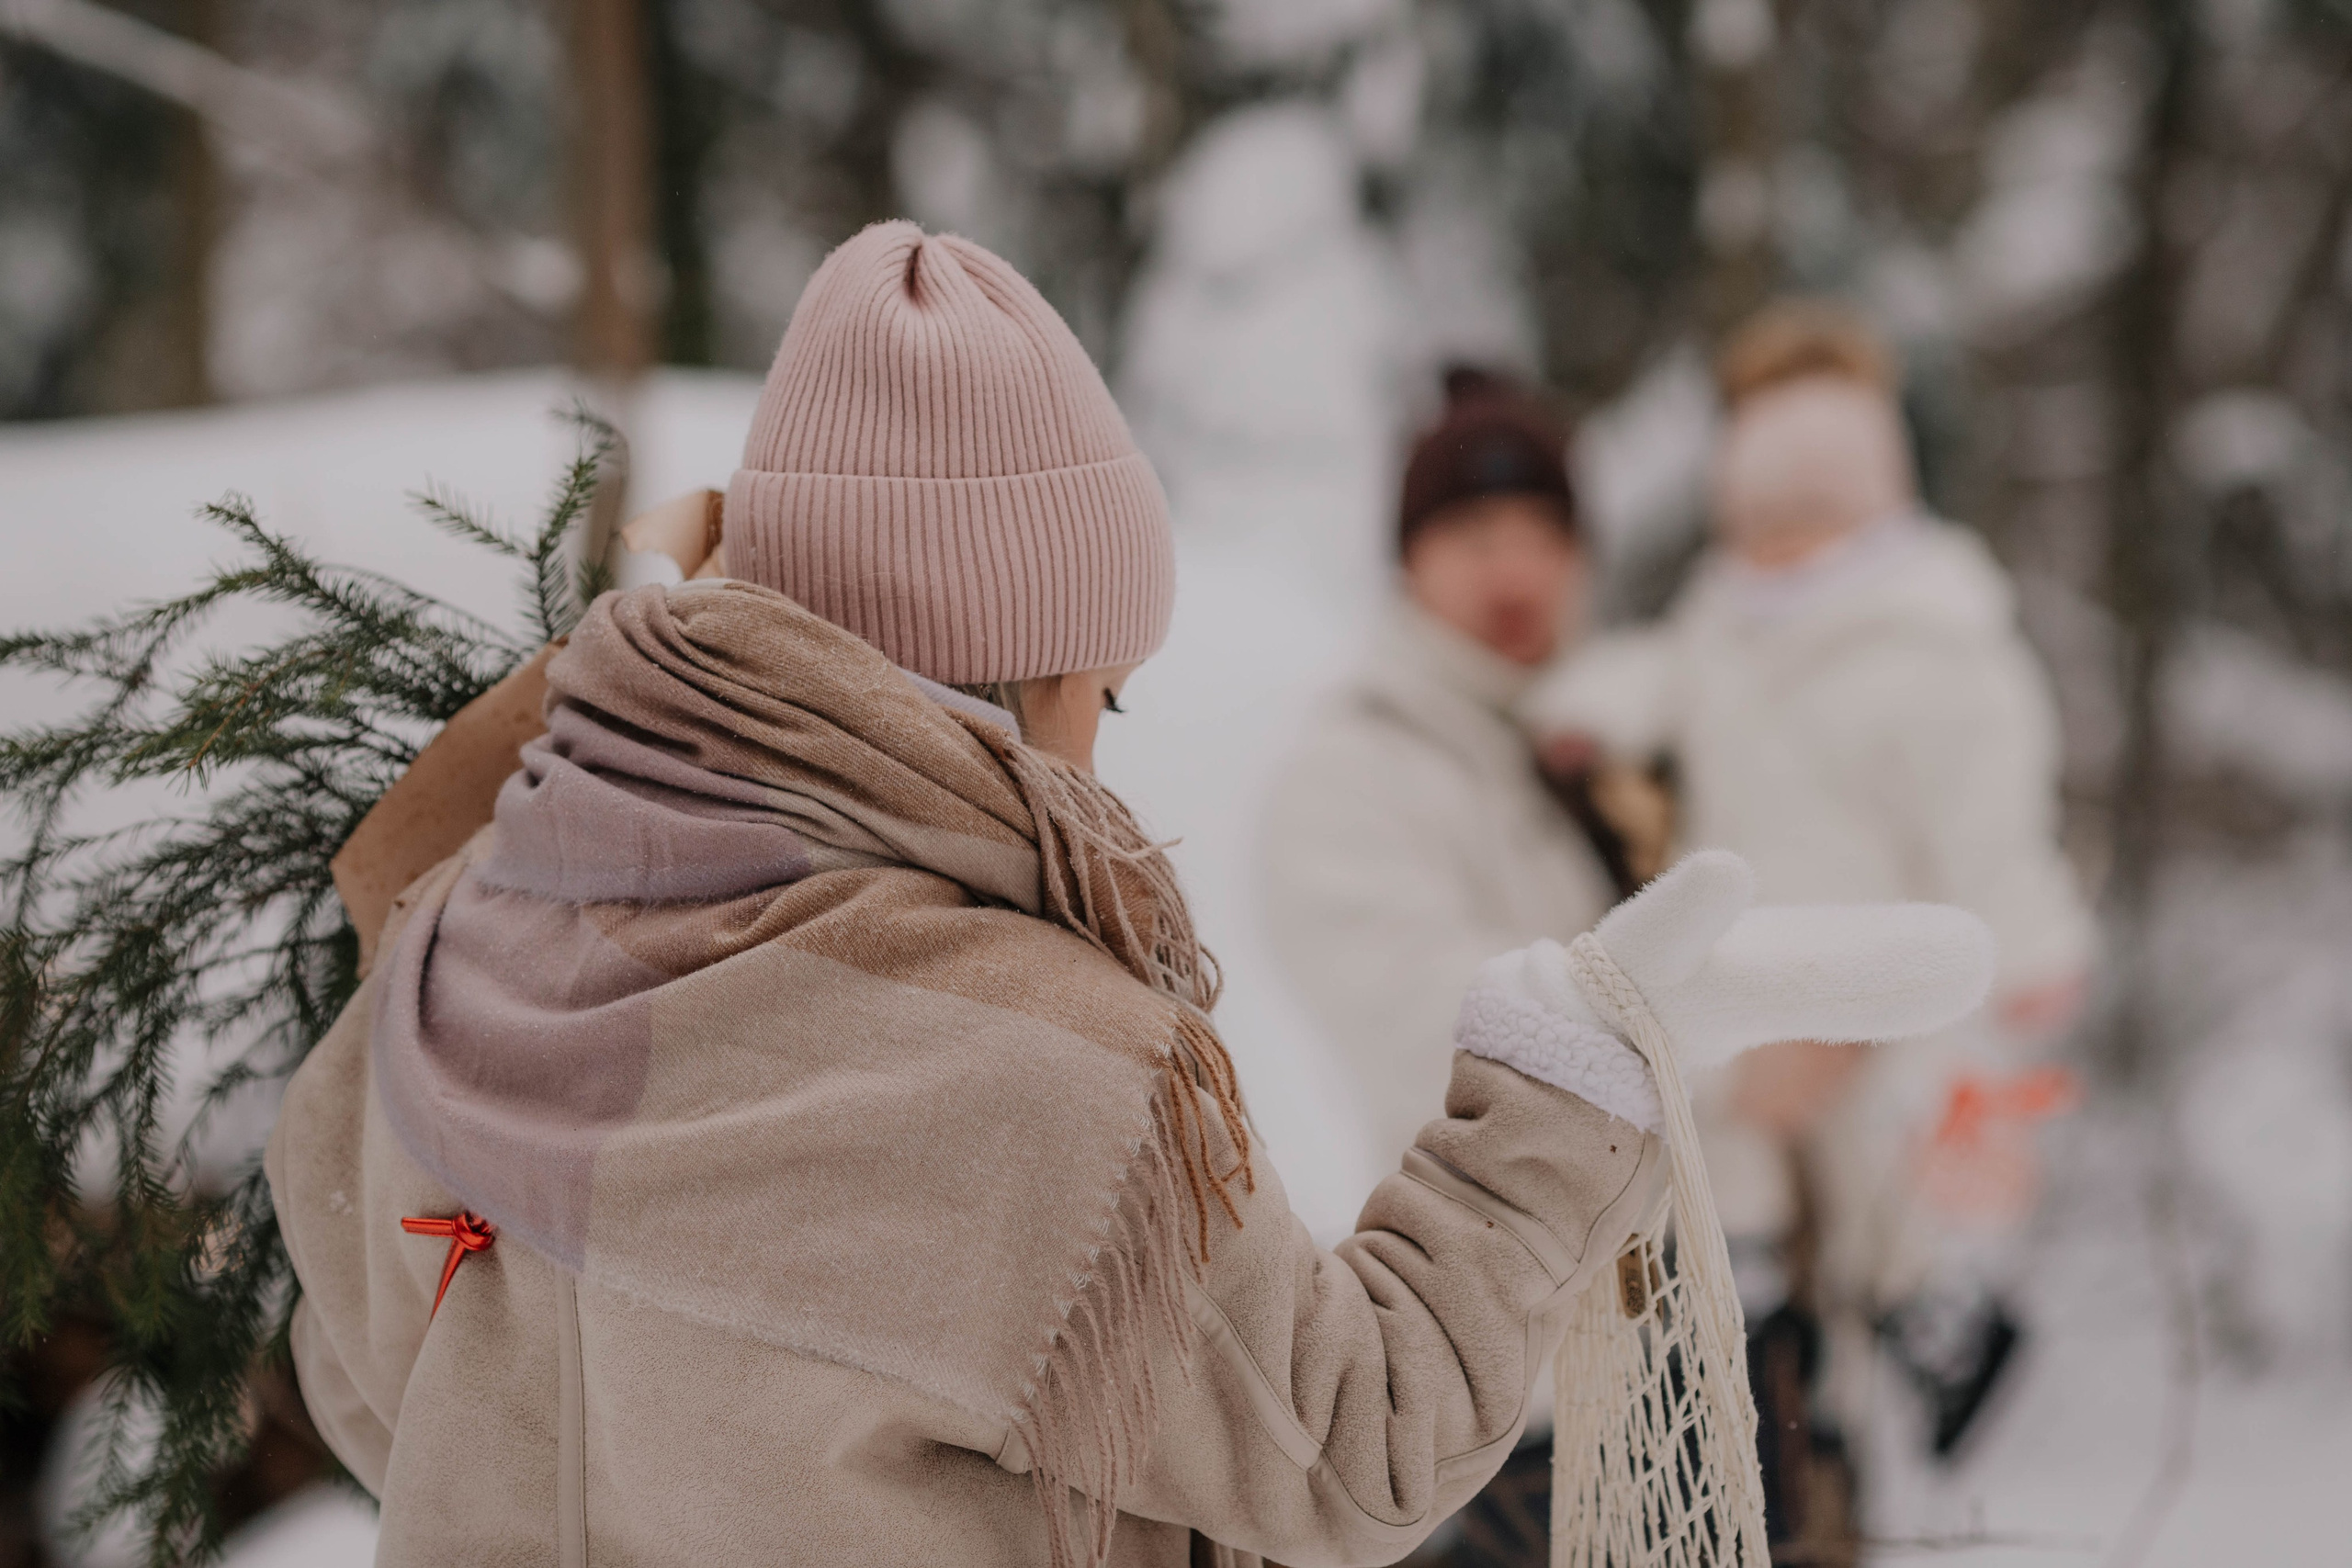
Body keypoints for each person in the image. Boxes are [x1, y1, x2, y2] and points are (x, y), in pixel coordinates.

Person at [265, 232, 1987, 1568]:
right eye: (1104, 687)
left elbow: (363, 1375)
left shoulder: (463, 926)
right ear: (1015, 672)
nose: (1100, 753)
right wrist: (1559, 1077)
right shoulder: (1031, 1073)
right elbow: (1351, 1442)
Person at [1522, 302, 2096, 1483]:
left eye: (1808, 516)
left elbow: (1998, 827)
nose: (1777, 545)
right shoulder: (1723, 623)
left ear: (1874, 507)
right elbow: (1660, 679)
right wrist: (1591, 712)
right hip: (1773, 958)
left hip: (1898, 968)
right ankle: (1803, 1305)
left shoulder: (1936, 651)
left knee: (1894, 1147)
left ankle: (1939, 1309)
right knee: (1778, 1149)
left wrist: (2034, 949)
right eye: (1758, 518)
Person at [1261, 370, 1668, 1172]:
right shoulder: (1350, 771)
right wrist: (1699, 1046)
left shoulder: (1633, 739)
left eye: (1546, 537)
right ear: (1411, 560)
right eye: (1478, 539)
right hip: (1487, 1277)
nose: (1516, 575)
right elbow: (1445, 1033)